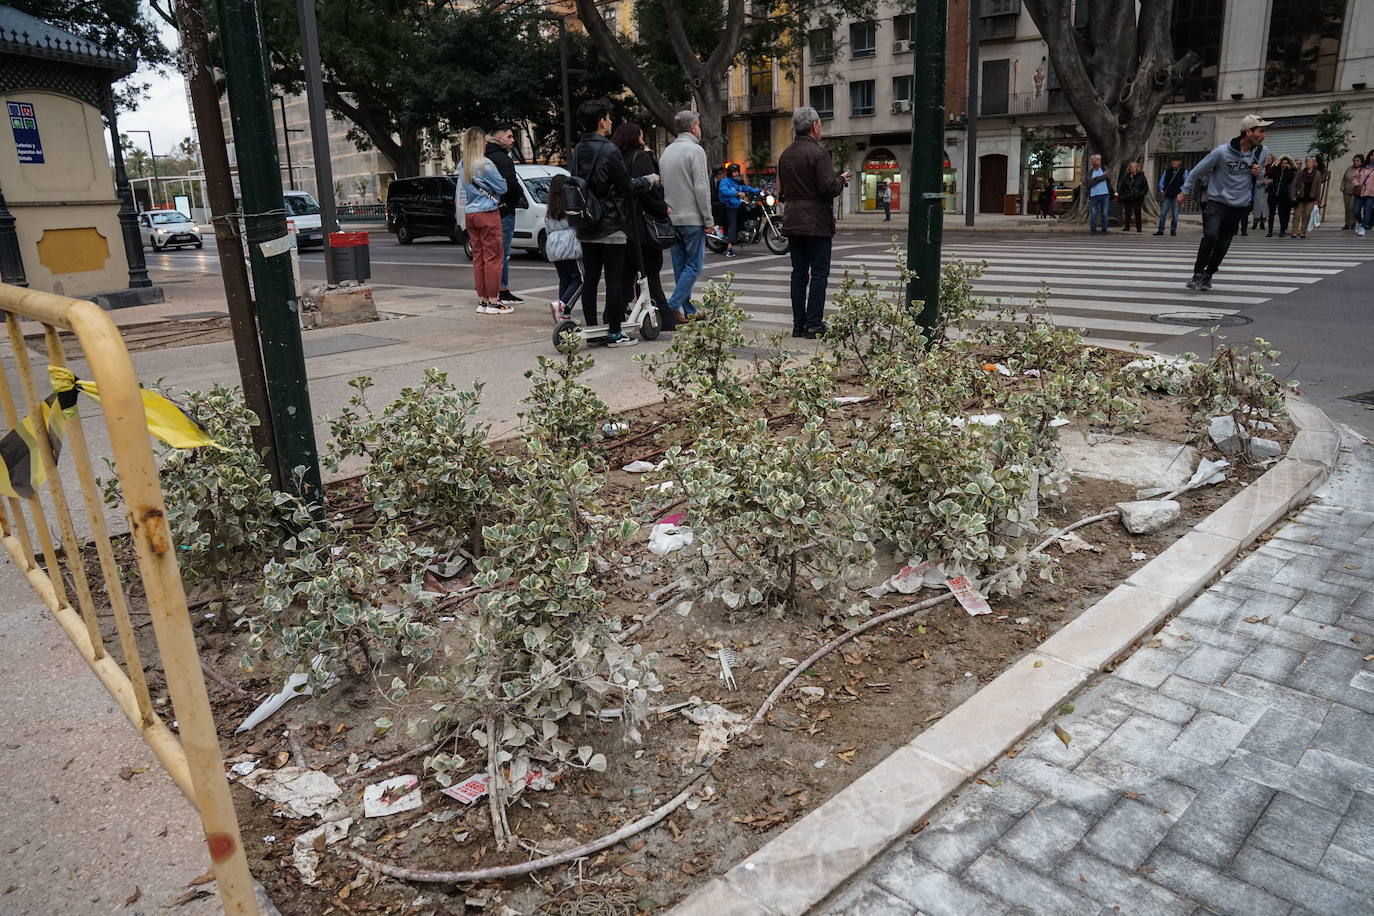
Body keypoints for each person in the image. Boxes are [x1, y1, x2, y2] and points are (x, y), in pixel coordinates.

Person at [569, 98, 659, 347]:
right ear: (601, 122)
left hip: (585, 223)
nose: (610, 122)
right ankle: (615, 333)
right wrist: (649, 180)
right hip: (609, 223)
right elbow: (625, 185)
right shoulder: (609, 150)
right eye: (608, 118)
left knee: (590, 278)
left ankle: (593, 330)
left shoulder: (578, 150)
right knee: (614, 279)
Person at [777, 105, 849, 339]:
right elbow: (827, 188)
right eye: (820, 123)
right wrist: (840, 180)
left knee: (799, 273)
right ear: (814, 126)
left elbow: (782, 192)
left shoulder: (786, 155)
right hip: (816, 221)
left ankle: (799, 325)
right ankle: (814, 324)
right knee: (819, 273)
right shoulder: (819, 154)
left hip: (794, 219)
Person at [1179, 114, 1271, 291]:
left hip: (1239, 205)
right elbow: (1196, 172)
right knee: (1211, 236)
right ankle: (1197, 274)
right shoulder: (1221, 152)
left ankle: (1208, 274)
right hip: (1217, 201)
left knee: (1224, 243)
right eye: (1261, 131)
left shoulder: (1261, 152)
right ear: (1248, 131)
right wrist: (1184, 191)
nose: (1264, 135)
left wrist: (1257, 173)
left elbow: (1260, 180)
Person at [612, 121, 671, 325]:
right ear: (636, 137)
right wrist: (664, 208)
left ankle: (616, 316)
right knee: (650, 273)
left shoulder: (617, 157)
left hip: (622, 225)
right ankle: (661, 317)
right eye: (641, 134)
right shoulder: (641, 157)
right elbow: (649, 191)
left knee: (626, 274)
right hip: (641, 226)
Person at [659, 109, 713, 324]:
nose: (699, 129)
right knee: (694, 265)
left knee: (681, 267)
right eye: (698, 125)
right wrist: (708, 218)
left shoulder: (667, 152)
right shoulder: (695, 151)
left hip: (673, 218)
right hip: (692, 217)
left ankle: (688, 310)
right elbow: (701, 187)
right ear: (693, 127)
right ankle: (671, 307)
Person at [457, 126, 509, 315]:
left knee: (478, 257)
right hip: (487, 212)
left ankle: (483, 300)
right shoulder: (485, 164)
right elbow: (502, 187)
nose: (486, 142)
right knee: (494, 257)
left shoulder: (462, 164)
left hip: (470, 213)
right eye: (484, 139)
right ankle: (494, 302)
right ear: (479, 142)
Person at [484, 125, 528, 304]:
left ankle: (490, 291)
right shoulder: (502, 159)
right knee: (504, 252)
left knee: (489, 253)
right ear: (499, 138)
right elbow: (511, 184)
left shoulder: (484, 157)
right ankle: (502, 290)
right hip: (504, 210)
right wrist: (513, 201)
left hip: (487, 209)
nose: (513, 140)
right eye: (509, 137)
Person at [543, 173, 581, 321]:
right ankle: (563, 305)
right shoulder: (569, 204)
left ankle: (563, 315)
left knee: (565, 279)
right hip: (570, 244)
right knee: (580, 279)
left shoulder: (550, 207)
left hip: (553, 245)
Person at [718, 163, 761, 258]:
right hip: (728, 206)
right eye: (734, 171)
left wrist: (758, 191)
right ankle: (729, 248)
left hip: (737, 205)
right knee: (733, 222)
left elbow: (746, 188)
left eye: (737, 171)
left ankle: (747, 231)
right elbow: (724, 191)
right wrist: (737, 193)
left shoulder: (737, 182)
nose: (736, 173)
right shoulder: (724, 181)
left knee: (752, 209)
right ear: (730, 172)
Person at [1291, 156, 1326, 239]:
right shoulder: (1300, 172)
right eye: (1307, 161)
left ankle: (1302, 232)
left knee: (1306, 215)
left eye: (1310, 162)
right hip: (1300, 197)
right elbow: (1294, 184)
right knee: (1297, 215)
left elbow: (1318, 187)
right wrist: (1293, 196)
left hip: (1311, 198)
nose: (1308, 163)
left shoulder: (1317, 173)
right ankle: (1295, 232)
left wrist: (1318, 199)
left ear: (1313, 163)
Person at [1155, 157, 1188, 235]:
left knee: (1175, 215)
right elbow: (1161, 182)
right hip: (1167, 195)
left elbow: (1186, 183)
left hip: (1177, 196)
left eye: (1176, 161)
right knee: (1163, 213)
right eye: (1173, 161)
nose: (1174, 163)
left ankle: (1173, 230)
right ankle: (1160, 230)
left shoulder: (1184, 171)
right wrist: (1162, 190)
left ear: (1179, 162)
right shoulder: (1167, 171)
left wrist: (1181, 192)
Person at [1268, 156, 1297, 237]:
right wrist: (1276, 165)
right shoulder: (1276, 170)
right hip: (1273, 195)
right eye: (1282, 163)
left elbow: (1293, 176)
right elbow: (1269, 174)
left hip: (1283, 196)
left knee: (1282, 214)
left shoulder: (1289, 172)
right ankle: (1270, 231)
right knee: (1271, 214)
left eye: (1286, 163)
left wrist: (1290, 167)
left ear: (1288, 164)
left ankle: (1282, 231)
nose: (1284, 165)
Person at [1117, 161, 1148, 232]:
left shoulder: (1141, 176)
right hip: (1128, 197)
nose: (1132, 168)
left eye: (1134, 167)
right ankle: (1127, 227)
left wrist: (1140, 194)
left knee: (1137, 213)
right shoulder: (1126, 177)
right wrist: (1121, 196)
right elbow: (1122, 187)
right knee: (1127, 213)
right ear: (1129, 168)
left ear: (1137, 168)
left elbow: (1145, 188)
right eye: (1131, 167)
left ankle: (1139, 228)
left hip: (1138, 198)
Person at [1087, 154, 1111, 233]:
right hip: (1094, 195)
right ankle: (1093, 229)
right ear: (1093, 162)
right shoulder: (1090, 172)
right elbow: (1091, 183)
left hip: (1105, 194)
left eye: (1100, 159)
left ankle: (1104, 229)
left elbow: (1107, 176)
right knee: (1094, 213)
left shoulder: (1104, 168)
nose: (1099, 161)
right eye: (1097, 160)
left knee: (1104, 212)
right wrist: (1102, 177)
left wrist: (1096, 179)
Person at [1341, 153, 1365, 230]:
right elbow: (1344, 178)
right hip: (1346, 190)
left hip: (1356, 192)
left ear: (1361, 161)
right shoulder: (1349, 168)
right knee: (1347, 208)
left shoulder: (1362, 169)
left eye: (1357, 160)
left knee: (1352, 208)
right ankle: (1347, 224)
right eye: (1354, 160)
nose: (1355, 162)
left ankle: (1353, 223)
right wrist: (1342, 186)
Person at [1354, 150, 1374, 237]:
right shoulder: (1362, 168)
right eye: (1372, 155)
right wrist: (1357, 184)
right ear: (1369, 156)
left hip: (1371, 193)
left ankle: (1363, 228)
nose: (1373, 157)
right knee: (1356, 211)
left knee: (1367, 211)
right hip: (1360, 192)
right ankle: (1360, 221)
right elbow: (1355, 177)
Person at [1252, 155, 1273, 232]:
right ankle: (1255, 222)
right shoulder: (1260, 167)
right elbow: (1255, 179)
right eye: (1267, 159)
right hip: (1259, 189)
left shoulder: (1273, 168)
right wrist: (1261, 182)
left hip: (1267, 190)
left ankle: (1262, 223)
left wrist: (1269, 181)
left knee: (1265, 207)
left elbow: (1274, 179)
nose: (1268, 160)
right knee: (1257, 206)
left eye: (1270, 159)